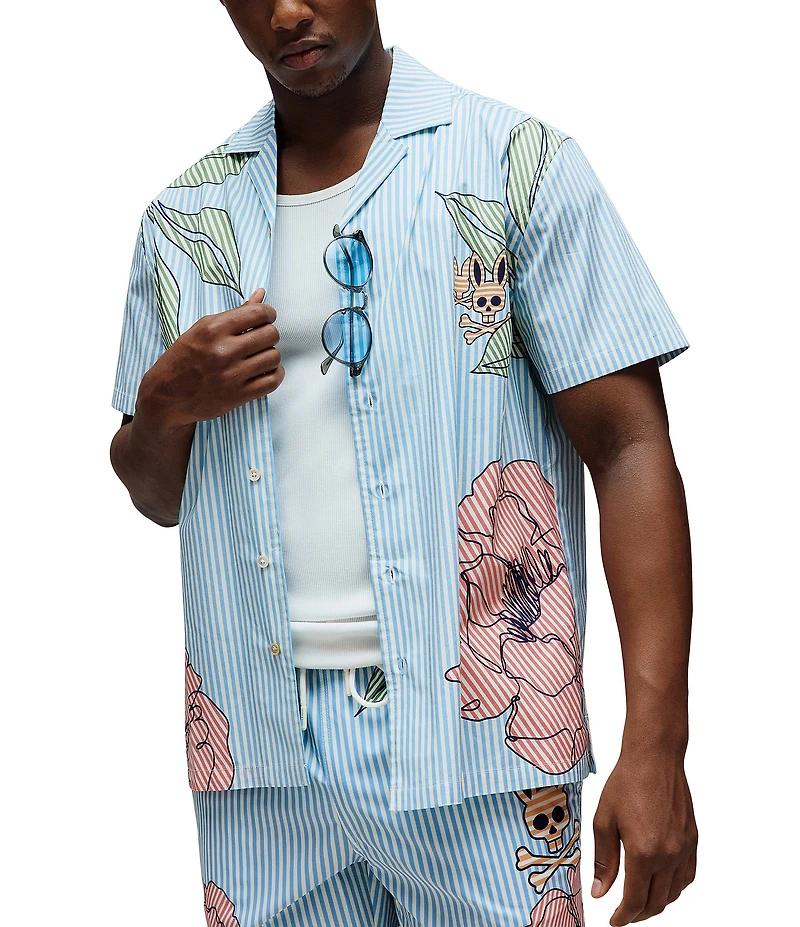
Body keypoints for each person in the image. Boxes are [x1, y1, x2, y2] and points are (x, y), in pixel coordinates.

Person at [109, 4, 698, 926]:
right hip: (259, 753)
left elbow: (627, 446)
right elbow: (156, 493)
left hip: (482, 738)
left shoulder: (516, 166)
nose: (288, 11)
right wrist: (163, 403)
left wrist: (657, 743)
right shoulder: (184, 220)